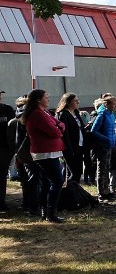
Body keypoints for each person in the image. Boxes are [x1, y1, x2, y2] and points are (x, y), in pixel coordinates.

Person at [21, 89, 66, 223]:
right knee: (57, 181)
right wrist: (58, 129)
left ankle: (46, 211)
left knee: (47, 182)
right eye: (46, 97)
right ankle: (50, 212)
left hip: (51, 151)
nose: (48, 99)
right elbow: (54, 131)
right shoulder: (36, 115)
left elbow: (60, 124)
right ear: (38, 99)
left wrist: (59, 128)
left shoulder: (44, 112)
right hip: (44, 152)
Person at [89, 94, 116, 202]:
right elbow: (93, 131)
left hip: (109, 144)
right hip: (102, 146)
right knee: (102, 169)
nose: (115, 106)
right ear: (107, 105)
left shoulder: (111, 115)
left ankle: (106, 190)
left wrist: (113, 139)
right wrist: (105, 139)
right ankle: (101, 191)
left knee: (107, 168)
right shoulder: (101, 115)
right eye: (113, 104)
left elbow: (112, 129)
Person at [54, 93, 85, 184]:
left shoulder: (76, 113)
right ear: (68, 102)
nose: (77, 102)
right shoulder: (64, 114)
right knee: (74, 172)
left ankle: (76, 191)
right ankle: (68, 192)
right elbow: (65, 133)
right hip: (70, 147)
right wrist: (69, 148)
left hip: (79, 145)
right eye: (75, 101)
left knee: (79, 171)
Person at [0, 90, 16, 211]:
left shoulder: (7, 110)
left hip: (4, 149)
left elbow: (13, 129)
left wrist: (11, 148)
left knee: (2, 175)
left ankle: (1, 201)